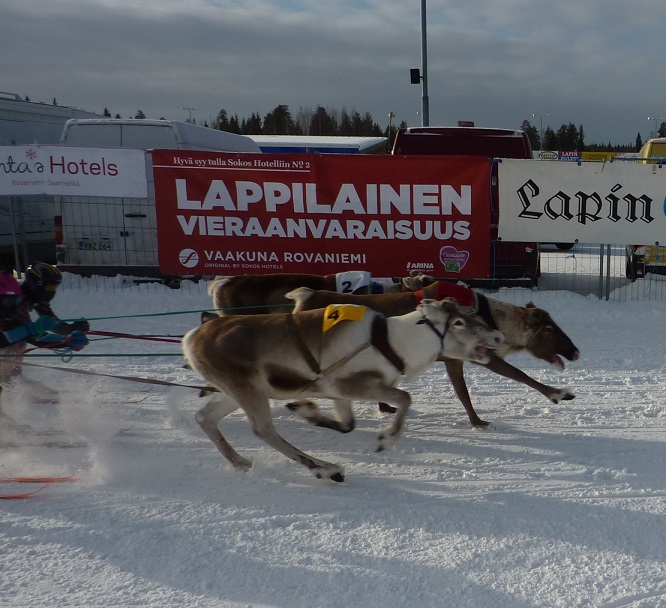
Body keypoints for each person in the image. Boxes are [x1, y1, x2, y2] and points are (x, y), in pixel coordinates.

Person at [0, 262, 90, 383]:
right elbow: (33, 335)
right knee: (18, 339)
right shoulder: (16, 300)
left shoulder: (32, 298)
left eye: (54, 288)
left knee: (19, 337)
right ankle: (8, 379)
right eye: (49, 288)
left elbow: (50, 323)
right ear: (35, 284)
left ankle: (12, 376)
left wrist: (71, 329)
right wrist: (65, 342)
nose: (51, 292)